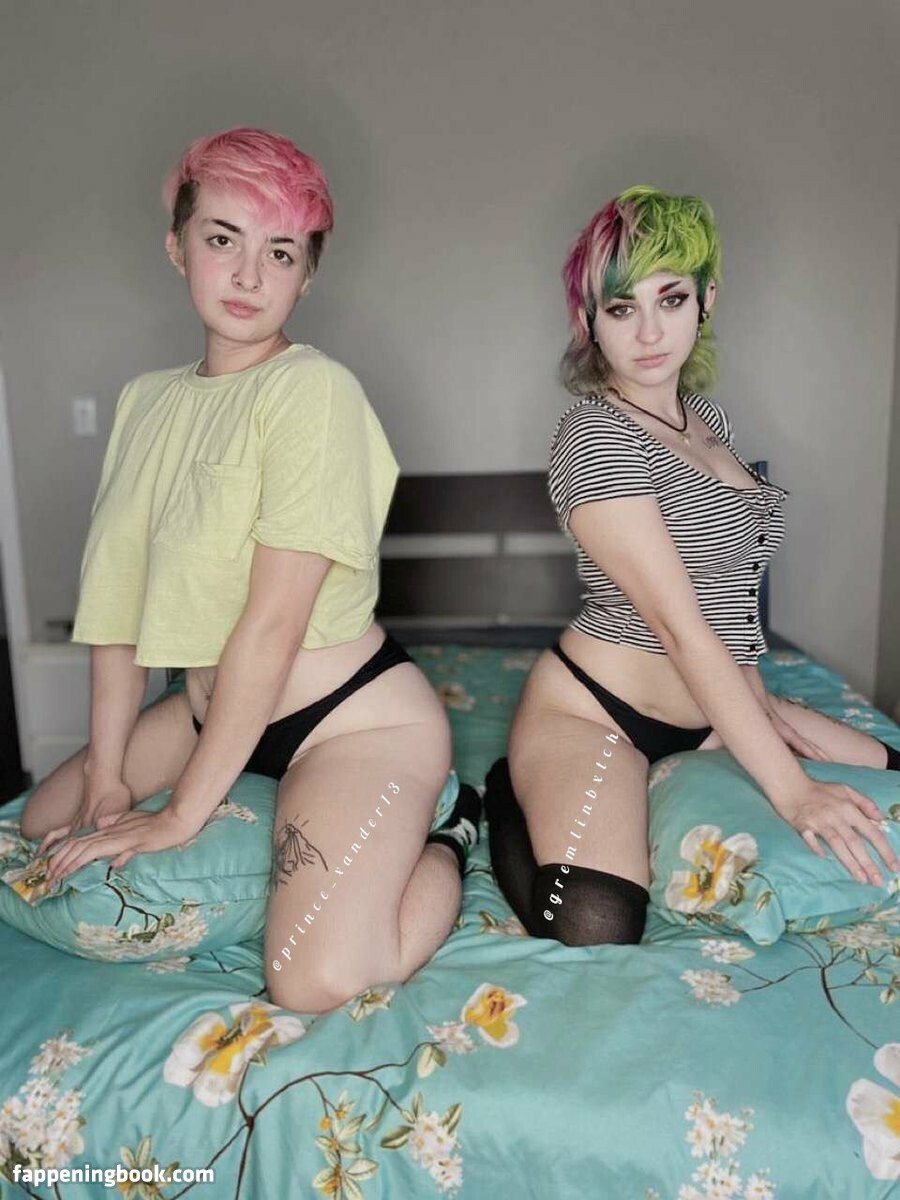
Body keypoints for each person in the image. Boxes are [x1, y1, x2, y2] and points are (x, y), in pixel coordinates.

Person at [20, 126, 480, 1012]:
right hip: (207, 710)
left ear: (307, 276)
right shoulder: (144, 402)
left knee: (316, 978)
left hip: (347, 722)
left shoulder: (314, 392)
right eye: (222, 239)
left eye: (280, 253)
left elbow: (272, 626)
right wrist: (110, 773)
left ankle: (456, 830)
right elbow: (114, 607)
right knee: (44, 827)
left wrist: (181, 815)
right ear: (177, 246)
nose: (247, 275)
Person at [484, 185, 900, 948]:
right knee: (596, 922)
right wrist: (793, 791)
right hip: (596, 712)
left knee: (893, 767)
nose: (649, 332)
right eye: (621, 308)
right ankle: (497, 797)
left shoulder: (706, 420)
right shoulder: (593, 436)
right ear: (589, 321)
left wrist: (758, 709)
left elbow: (727, 592)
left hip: (714, 705)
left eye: (670, 299)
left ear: (706, 299)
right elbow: (680, 627)